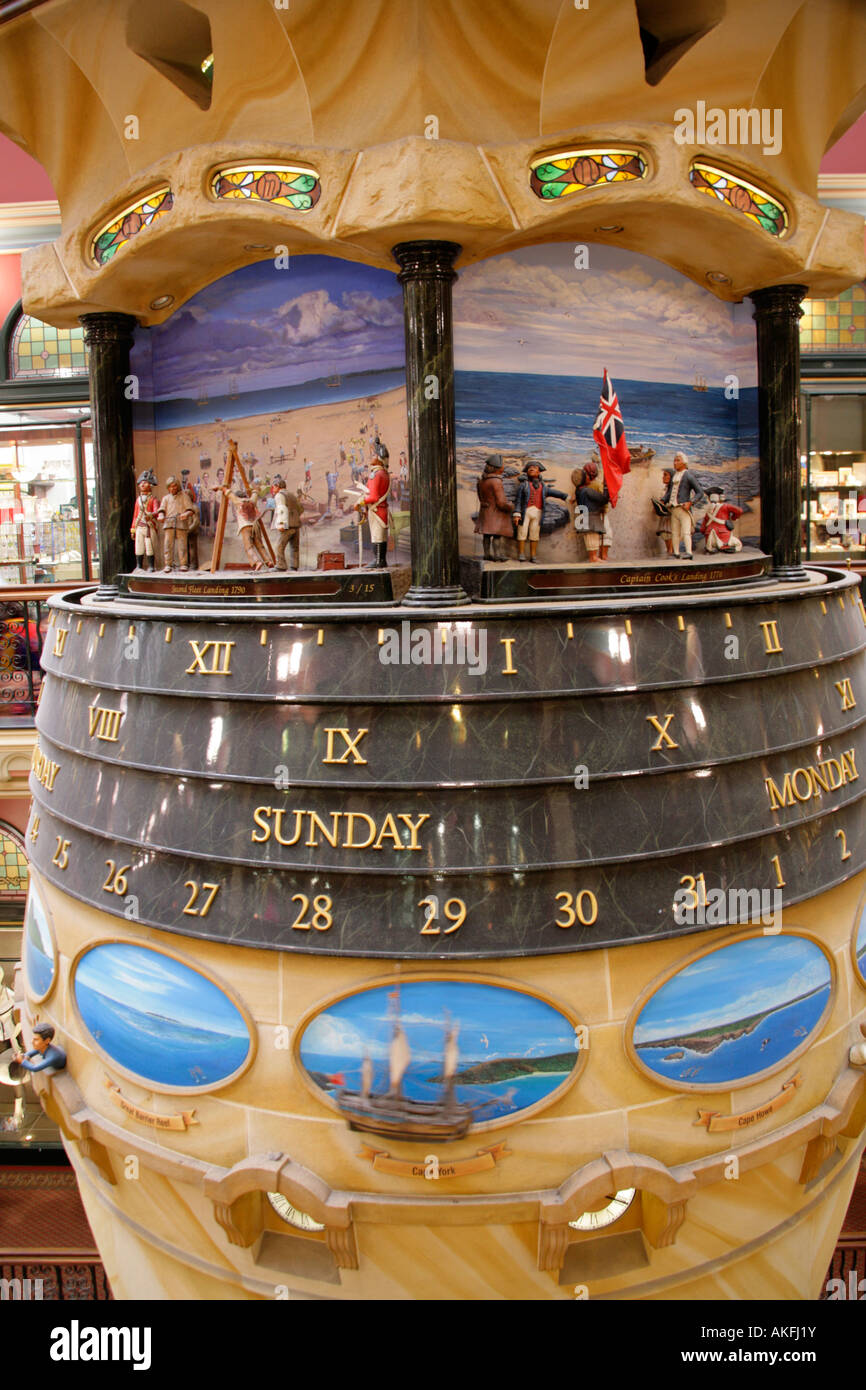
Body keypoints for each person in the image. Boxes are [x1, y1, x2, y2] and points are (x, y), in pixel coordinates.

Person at [513, 461, 567, 563]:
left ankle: (533, 555)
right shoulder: (523, 486)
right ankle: (521, 554)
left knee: (534, 534)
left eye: (534, 467)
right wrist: (517, 513)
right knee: (522, 532)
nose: (531, 469)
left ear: (539, 472)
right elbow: (518, 500)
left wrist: (565, 496)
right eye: (529, 468)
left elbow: (553, 493)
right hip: (525, 512)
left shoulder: (543, 487)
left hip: (538, 513)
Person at [217, 483, 274, 570]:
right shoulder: (252, 501)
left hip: (245, 526)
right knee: (260, 545)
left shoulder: (238, 501)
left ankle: (256, 561)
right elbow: (255, 493)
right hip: (255, 526)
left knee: (248, 547)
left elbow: (230, 494)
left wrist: (223, 488)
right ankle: (268, 561)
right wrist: (255, 489)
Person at [662, 452, 706, 559]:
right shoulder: (674, 476)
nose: (675, 463)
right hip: (674, 509)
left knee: (686, 532)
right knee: (675, 532)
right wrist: (663, 500)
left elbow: (700, 492)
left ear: (684, 463)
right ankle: (676, 553)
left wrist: (691, 502)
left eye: (678, 461)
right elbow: (670, 492)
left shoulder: (688, 476)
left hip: (683, 508)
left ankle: (689, 552)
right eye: (674, 460)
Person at [357, 443, 391, 568]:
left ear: (379, 458)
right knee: (379, 536)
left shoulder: (376, 475)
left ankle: (378, 560)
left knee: (377, 536)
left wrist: (360, 502)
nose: (371, 457)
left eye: (374, 455)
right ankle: (380, 559)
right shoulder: (383, 473)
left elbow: (374, 497)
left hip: (377, 510)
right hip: (379, 510)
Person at [474, 454, 513, 561]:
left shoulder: (482, 480)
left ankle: (486, 554)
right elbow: (500, 502)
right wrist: (510, 506)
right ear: (498, 468)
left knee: (486, 535)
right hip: (495, 513)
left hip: (486, 511)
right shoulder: (496, 481)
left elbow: (480, 496)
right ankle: (497, 555)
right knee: (496, 535)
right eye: (503, 466)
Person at [157, 475, 197, 572]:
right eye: (170, 486)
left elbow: (191, 510)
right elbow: (161, 510)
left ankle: (183, 564)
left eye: (174, 486)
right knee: (167, 545)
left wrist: (186, 514)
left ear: (178, 486)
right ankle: (168, 564)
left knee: (182, 545)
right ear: (168, 487)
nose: (172, 488)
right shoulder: (166, 498)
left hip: (181, 524)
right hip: (169, 523)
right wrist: (161, 516)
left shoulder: (184, 496)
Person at [572, 463, 610, 561]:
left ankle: (594, 557)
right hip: (590, 516)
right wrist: (606, 487)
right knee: (592, 537)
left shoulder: (578, 490)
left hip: (584, 516)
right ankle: (593, 557)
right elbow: (603, 499)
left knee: (590, 538)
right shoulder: (587, 491)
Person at [271, 476, 304, 570]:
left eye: (273, 487)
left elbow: (281, 509)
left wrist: (281, 523)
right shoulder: (292, 494)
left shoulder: (279, 495)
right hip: (296, 524)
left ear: (277, 486)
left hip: (287, 526)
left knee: (279, 546)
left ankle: (281, 565)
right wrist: (295, 517)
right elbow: (300, 509)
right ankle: (294, 566)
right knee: (294, 547)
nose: (273, 489)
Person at [130, 472, 159, 571]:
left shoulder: (153, 499)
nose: (142, 485)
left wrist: (150, 515)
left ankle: (151, 566)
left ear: (150, 485)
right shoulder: (138, 500)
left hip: (148, 527)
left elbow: (157, 512)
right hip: (139, 527)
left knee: (149, 546)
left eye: (145, 482)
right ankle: (139, 566)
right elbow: (135, 515)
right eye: (141, 483)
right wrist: (133, 529)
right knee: (139, 546)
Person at [701, 487, 743, 552]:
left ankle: (709, 548)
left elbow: (702, 529)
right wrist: (733, 518)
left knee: (709, 542)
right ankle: (729, 548)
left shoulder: (708, 511)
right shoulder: (726, 506)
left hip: (710, 539)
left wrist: (705, 531)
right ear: (720, 497)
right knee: (738, 545)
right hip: (724, 536)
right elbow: (739, 511)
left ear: (709, 499)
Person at [652, 468, 674, 555]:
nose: (663, 477)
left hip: (671, 516)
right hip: (665, 516)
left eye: (665, 475)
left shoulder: (672, 490)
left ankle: (671, 551)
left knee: (670, 533)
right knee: (665, 534)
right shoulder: (665, 489)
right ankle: (669, 551)